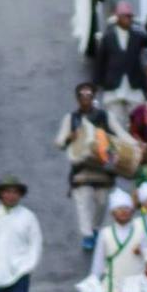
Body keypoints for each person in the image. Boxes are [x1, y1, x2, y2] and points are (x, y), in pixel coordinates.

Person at [55, 82, 123, 252]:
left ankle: (95, 227)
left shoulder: (106, 117)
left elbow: (121, 134)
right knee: (83, 201)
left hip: (102, 167)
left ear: (93, 98)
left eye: (88, 96)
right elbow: (59, 142)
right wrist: (70, 136)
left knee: (101, 201)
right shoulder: (71, 119)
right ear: (77, 99)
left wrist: (134, 146)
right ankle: (87, 234)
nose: (85, 99)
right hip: (81, 168)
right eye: (82, 96)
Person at [93, 1, 147, 121]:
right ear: (118, 17)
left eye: (130, 16)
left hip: (134, 85)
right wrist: (96, 84)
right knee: (115, 122)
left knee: (138, 120)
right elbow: (100, 62)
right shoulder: (108, 37)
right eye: (126, 16)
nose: (129, 19)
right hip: (114, 85)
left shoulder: (137, 36)